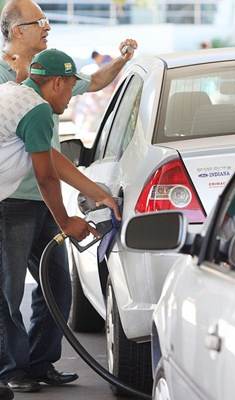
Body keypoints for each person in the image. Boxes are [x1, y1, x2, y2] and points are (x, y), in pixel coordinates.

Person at [0, 0, 137, 393]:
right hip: (10, 202)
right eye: (38, 22)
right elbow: (45, 172)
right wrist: (69, 221)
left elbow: (55, 161)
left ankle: (39, 363)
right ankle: (11, 370)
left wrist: (98, 193)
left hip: (41, 199)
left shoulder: (41, 77)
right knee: (7, 293)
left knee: (56, 284)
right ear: (15, 30)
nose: (47, 27)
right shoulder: (27, 95)